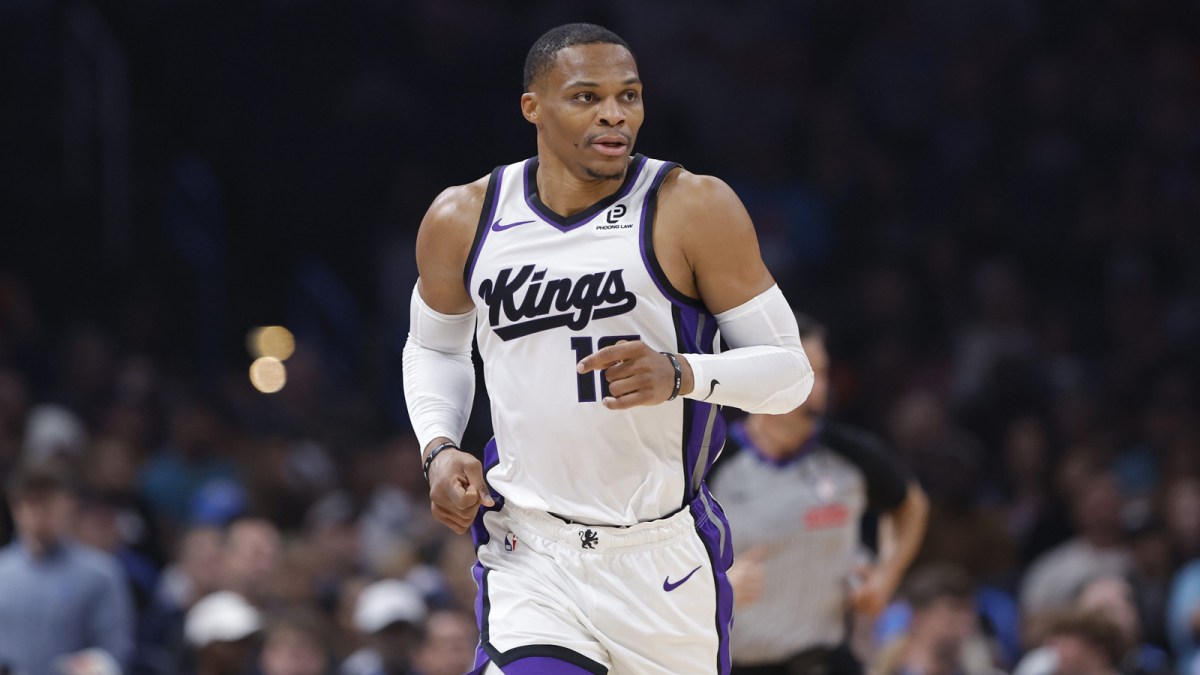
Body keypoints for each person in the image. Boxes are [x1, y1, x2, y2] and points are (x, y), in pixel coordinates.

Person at [402, 22, 814, 675]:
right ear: (533, 107)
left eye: (629, 95)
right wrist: (439, 445)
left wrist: (680, 373)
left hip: (662, 560)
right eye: (586, 97)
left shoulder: (692, 207)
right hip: (532, 552)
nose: (614, 114)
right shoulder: (464, 218)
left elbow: (791, 375)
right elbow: (435, 348)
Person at [708, 314, 928, 674]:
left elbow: (911, 505)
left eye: (822, 373)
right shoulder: (712, 463)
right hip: (734, 664)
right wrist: (715, 587)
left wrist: (886, 576)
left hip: (824, 661)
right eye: (804, 372)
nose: (817, 386)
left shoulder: (851, 457)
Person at [0, 465, 135, 675]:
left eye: (48, 504)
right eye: (31, 503)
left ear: (68, 505)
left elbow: (115, 651)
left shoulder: (100, 574)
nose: (38, 514)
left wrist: (91, 665)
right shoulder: (3, 572)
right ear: (15, 508)